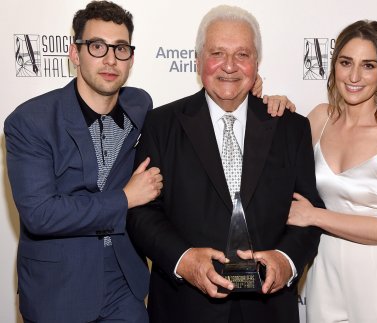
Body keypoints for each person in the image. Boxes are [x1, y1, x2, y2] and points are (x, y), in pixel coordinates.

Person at [126, 5, 324, 323]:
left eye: (242, 54)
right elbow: (141, 212)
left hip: (268, 309)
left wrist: (287, 260)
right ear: (198, 60)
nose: (229, 66)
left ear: (256, 63)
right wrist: (182, 259)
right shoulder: (160, 124)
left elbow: (309, 211)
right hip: (184, 308)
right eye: (217, 52)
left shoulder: (291, 128)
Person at [4, 1, 163, 322]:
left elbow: (189, 118)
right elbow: (40, 214)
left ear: (131, 58)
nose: (109, 59)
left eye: (120, 49)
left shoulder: (140, 105)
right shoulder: (31, 121)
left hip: (123, 281)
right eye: (97, 46)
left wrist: (255, 97)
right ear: (75, 54)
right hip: (58, 286)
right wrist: (125, 198)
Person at [287, 20, 377, 322]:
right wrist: (270, 103)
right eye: (345, 62)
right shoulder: (320, 118)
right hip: (325, 275)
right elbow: (275, 159)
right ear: (334, 64)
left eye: (368, 66)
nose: (353, 76)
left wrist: (313, 216)